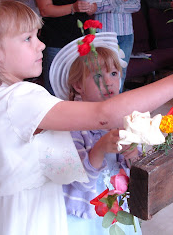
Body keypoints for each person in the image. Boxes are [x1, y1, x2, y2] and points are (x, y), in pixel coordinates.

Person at [0, 0, 173, 234]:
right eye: (28, 39)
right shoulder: (18, 98)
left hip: (17, 208)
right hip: (30, 216)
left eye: (37, 35)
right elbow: (104, 115)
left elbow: (55, 165)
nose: (41, 45)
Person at [49, 34, 142, 234]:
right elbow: (78, 181)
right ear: (78, 86)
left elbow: (139, 167)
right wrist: (99, 148)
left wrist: (132, 153)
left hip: (118, 204)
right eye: (99, 76)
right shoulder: (71, 123)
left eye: (114, 74)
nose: (109, 82)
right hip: (84, 209)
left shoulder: (124, 118)